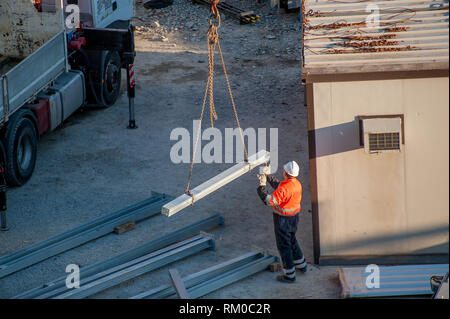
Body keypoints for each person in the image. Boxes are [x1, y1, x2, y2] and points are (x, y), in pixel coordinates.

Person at [256, 161, 307, 283]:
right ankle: (301, 264)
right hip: (293, 218)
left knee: (284, 246)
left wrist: (261, 186)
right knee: (292, 240)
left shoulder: (285, 188)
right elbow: (280, 186)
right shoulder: (296, 184)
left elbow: (269, 201)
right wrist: (268, 177)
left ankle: (289, 275)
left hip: (283, 220)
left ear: (285, 173)